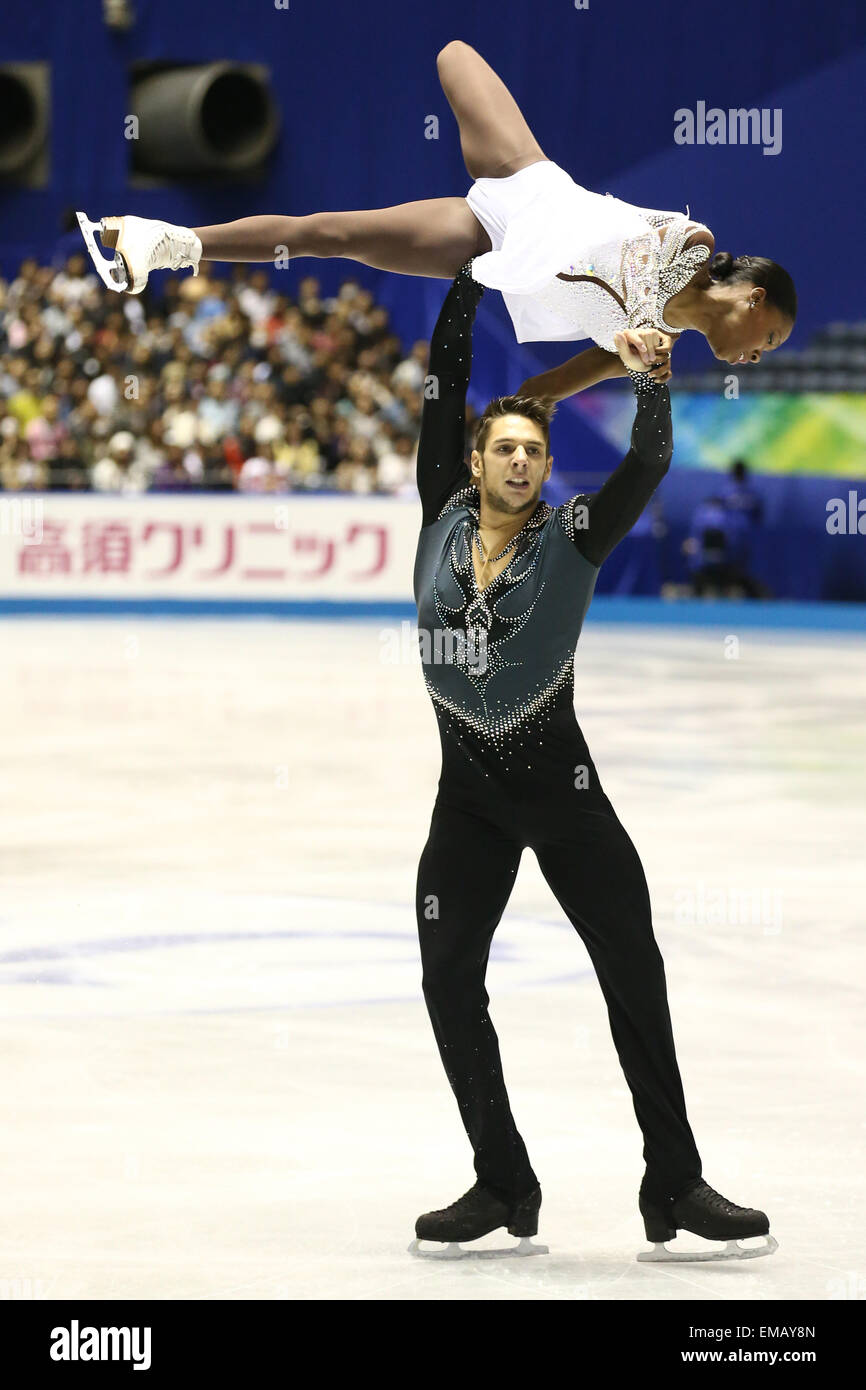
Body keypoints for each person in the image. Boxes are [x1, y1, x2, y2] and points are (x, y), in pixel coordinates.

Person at [407, 262, 778, 1263]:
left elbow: (646, 464)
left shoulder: (572, 536)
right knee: (447, 980)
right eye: (508, 447)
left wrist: (652, 374)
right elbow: (443, 387)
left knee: (632, 970)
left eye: (535, 450)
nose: (523, 461)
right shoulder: (438, 510)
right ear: (475, 459)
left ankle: (674, 1180)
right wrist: (464, 282)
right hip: (467, 805)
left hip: (563, 802)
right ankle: (502, 1178)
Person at [76, 42, 795, 396]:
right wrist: (639, 344)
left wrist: (509, 425)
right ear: (752, 297)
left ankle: (166, 241)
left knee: (334, 236)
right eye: (768, 340)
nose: (757, 356)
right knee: (453, 53)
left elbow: (547, 387)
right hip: (524, 183)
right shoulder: (693, 247)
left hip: (488, 239)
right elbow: (648, 273)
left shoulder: (655, 344)